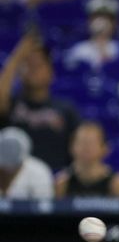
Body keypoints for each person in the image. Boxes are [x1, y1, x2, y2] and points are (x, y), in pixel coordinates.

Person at [0, 33, 81, 171]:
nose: (32, 70)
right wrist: (16, 58)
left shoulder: (66, 109)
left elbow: (79, 151)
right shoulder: (12, 105)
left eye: (38, 65)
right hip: (14, 182)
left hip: (55, 182)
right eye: (27, 64)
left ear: (51, 72)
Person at [55, 121, 119, 198]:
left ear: (105, 148)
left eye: (91, 143)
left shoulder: (118, 184)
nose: (86, 148)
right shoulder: (62, 183)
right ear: (71, 147)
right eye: (81, 142)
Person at [65, 0, 119, 71]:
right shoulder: (79, 49)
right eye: (97, 18)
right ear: (89, 22)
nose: (102, 23)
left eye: (107, 19)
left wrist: (102, 46)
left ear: (115, 24)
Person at [0, 127, 53, 198]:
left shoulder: (39, 170)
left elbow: (45, 203)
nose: (10, 151)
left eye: (14, 148)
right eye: (6, 149)